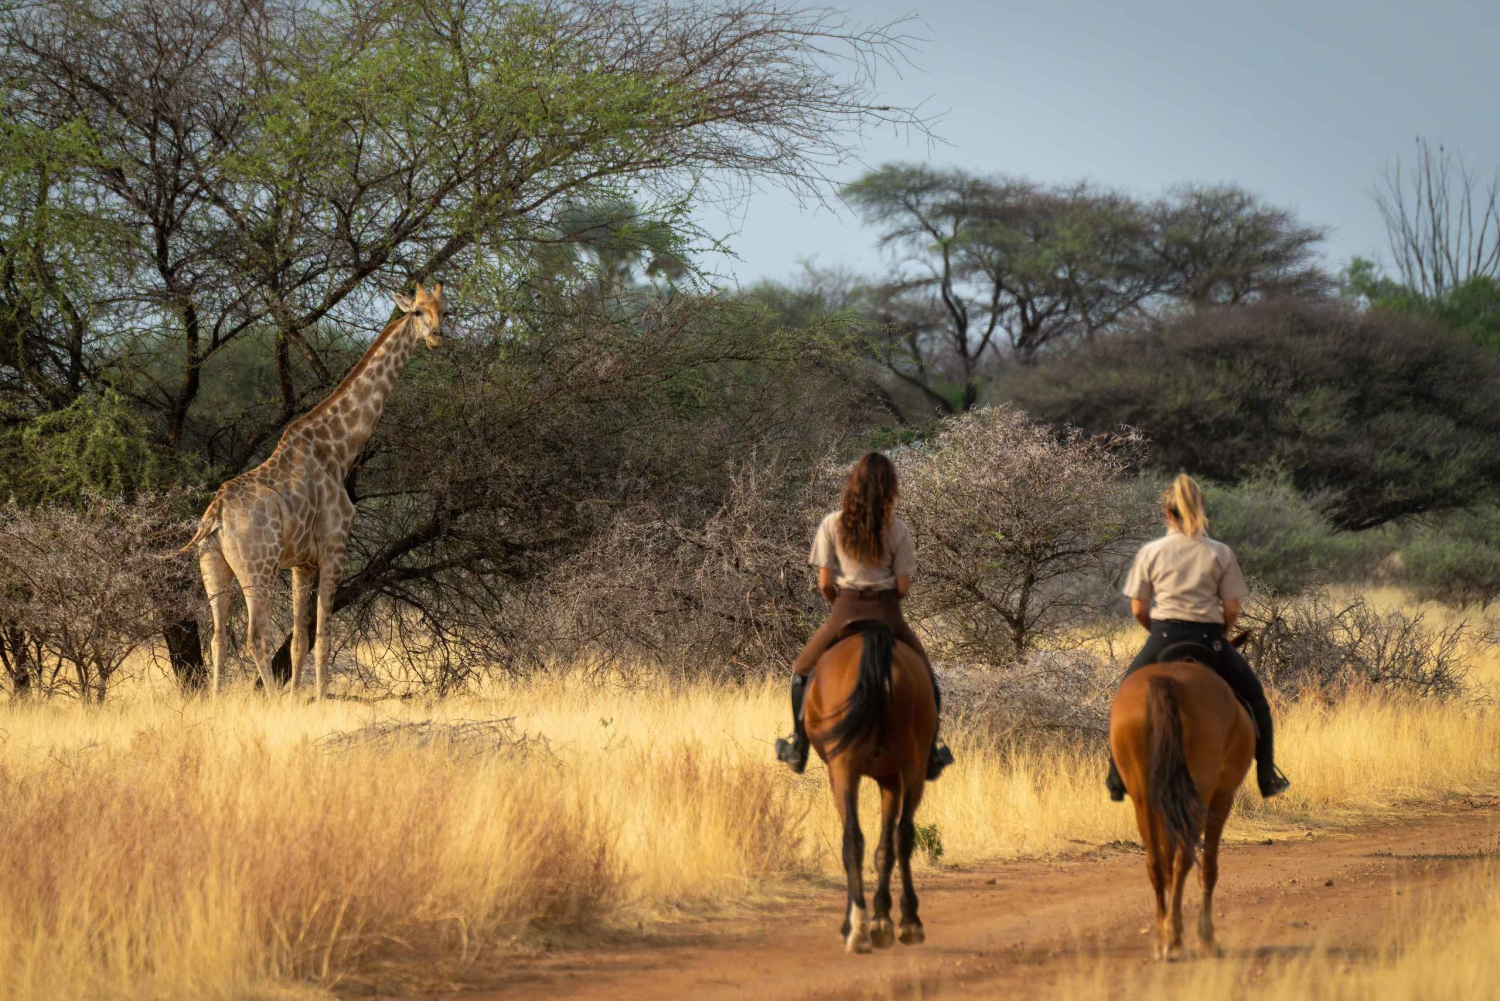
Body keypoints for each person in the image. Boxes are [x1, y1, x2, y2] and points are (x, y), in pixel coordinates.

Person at [1107, 474, 1291, 801]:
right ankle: (1267, 776)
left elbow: (1138, 608)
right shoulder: (1220, 553)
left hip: (1163, 636)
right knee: (1256, 699)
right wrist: (1220, 636)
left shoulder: (1151, 552)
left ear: (1167, 513)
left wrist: (1159, 635)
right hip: (1210, 639)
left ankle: (1117, 777)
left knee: (1124, 694)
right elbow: (1232, 610)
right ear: (1201, 509)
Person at [775, 452, 954, 780]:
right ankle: (930, 753)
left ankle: (798, 746)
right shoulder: (898, 530)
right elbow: (903, 588)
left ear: (852, 484)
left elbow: (825, 583)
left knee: (802, 669)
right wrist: (884, 599)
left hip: (844, 612)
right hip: (887, 612)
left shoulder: (832, 523)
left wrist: (840, 605)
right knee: (927, 676)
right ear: (891, 489)